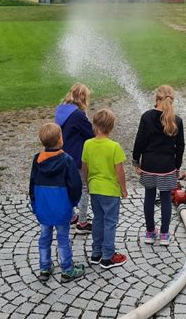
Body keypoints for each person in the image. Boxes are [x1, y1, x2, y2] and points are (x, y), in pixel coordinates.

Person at [29, 122, 84, 283]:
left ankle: (44, 267)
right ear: (60, 139)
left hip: (43, 207)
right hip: (62, 207)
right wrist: (74, 202)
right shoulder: (67, 160)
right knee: (63, 238)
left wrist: (35, 204)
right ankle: (67, 269)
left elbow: (32, 184)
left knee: (44, 237)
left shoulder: (37, 160)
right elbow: (75, 184)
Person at [132, 85, 185, 245]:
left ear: (156, 99)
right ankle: (164, 235)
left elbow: (139, 141)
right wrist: (177, 167)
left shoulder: (146, 117)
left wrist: (136, 161)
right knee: (166, 199)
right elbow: (180, 147)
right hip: (167, 166)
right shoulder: (177, 120)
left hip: (148, 165)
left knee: (149, 196)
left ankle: (149, 232)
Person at [81, 108, 128, 269]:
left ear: (95, 125)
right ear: (111, 127)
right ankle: (108, 256)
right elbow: (119, 171)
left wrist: (88, 183)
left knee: (98, 220)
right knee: (110, 223)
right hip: (110, 191)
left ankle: (96, 253)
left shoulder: (87, 144)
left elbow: (84, 167)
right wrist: (123, 189)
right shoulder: (114, 147)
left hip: (94, 189)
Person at [55, 83, 94, 234]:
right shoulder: (78, 115)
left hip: (63, 155)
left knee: (68, 187)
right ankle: (82, 223)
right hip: (77, 157)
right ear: (83, 97)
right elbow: (90, 133)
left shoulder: (61, 110)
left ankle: (72, 216)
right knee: (84, 188)